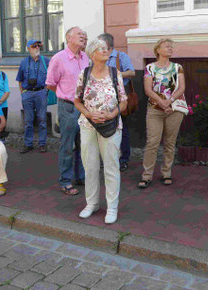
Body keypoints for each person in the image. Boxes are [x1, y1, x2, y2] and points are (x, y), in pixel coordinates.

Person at [74, 39, 127, 224]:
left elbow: (124, 101)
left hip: (111, 126)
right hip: (88, 125)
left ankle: (112, 207)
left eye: (106, 48)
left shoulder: (115, 73)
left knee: (111, 167)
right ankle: (92, 204)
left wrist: (112, 114)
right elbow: (77, 100)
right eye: (101, 49)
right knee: (90, 166)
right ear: (92, 54)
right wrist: (89, 114)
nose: (105, 51)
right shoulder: (85, 73)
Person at [46, 27, 89, 195]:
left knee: (83, 144)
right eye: (80, 34)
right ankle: (65, 181)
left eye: (84, 36)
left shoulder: (85, 57)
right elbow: (50, 83)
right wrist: (64, 94)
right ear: (68, 37)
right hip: (68, 107)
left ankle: (81, 176)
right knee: (67, 145)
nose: (83, 37)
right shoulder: (59, 58)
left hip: (84, 107)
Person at [139, 38, 186, 189]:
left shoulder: (178, 67)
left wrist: (169, 101)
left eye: (171, 46)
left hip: (174, 109)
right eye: (167, 46)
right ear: (158, 50)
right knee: (152, 142)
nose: (170, 48)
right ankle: (147, 175)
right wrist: (162, 102)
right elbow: (148, 90)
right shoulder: (150, 68)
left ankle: (166, 173)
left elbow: (182, 88)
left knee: (170, 143)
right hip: (155, 110)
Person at [98, 33, 135, 171]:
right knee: (104, 127)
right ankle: (106, 158)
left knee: (122, 128)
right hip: (102, 98)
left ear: (107, 44)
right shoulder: (99, 57)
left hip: (119, 98)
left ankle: (123, 159)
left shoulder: (121, 57)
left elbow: (132, 72)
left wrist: (115, 74)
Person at [16, 39, 49, 153]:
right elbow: (20, 79)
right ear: (28, 48)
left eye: (38, 46)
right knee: (28, 121)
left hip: (41, 93)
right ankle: (28, 144)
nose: (37, 48)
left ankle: (42, 143)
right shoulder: (24, 62)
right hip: (28, 93)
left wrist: (46, 90)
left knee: (42, 119)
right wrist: (23, 93)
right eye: (34, 46)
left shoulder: (46, 61)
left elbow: (52, 76)